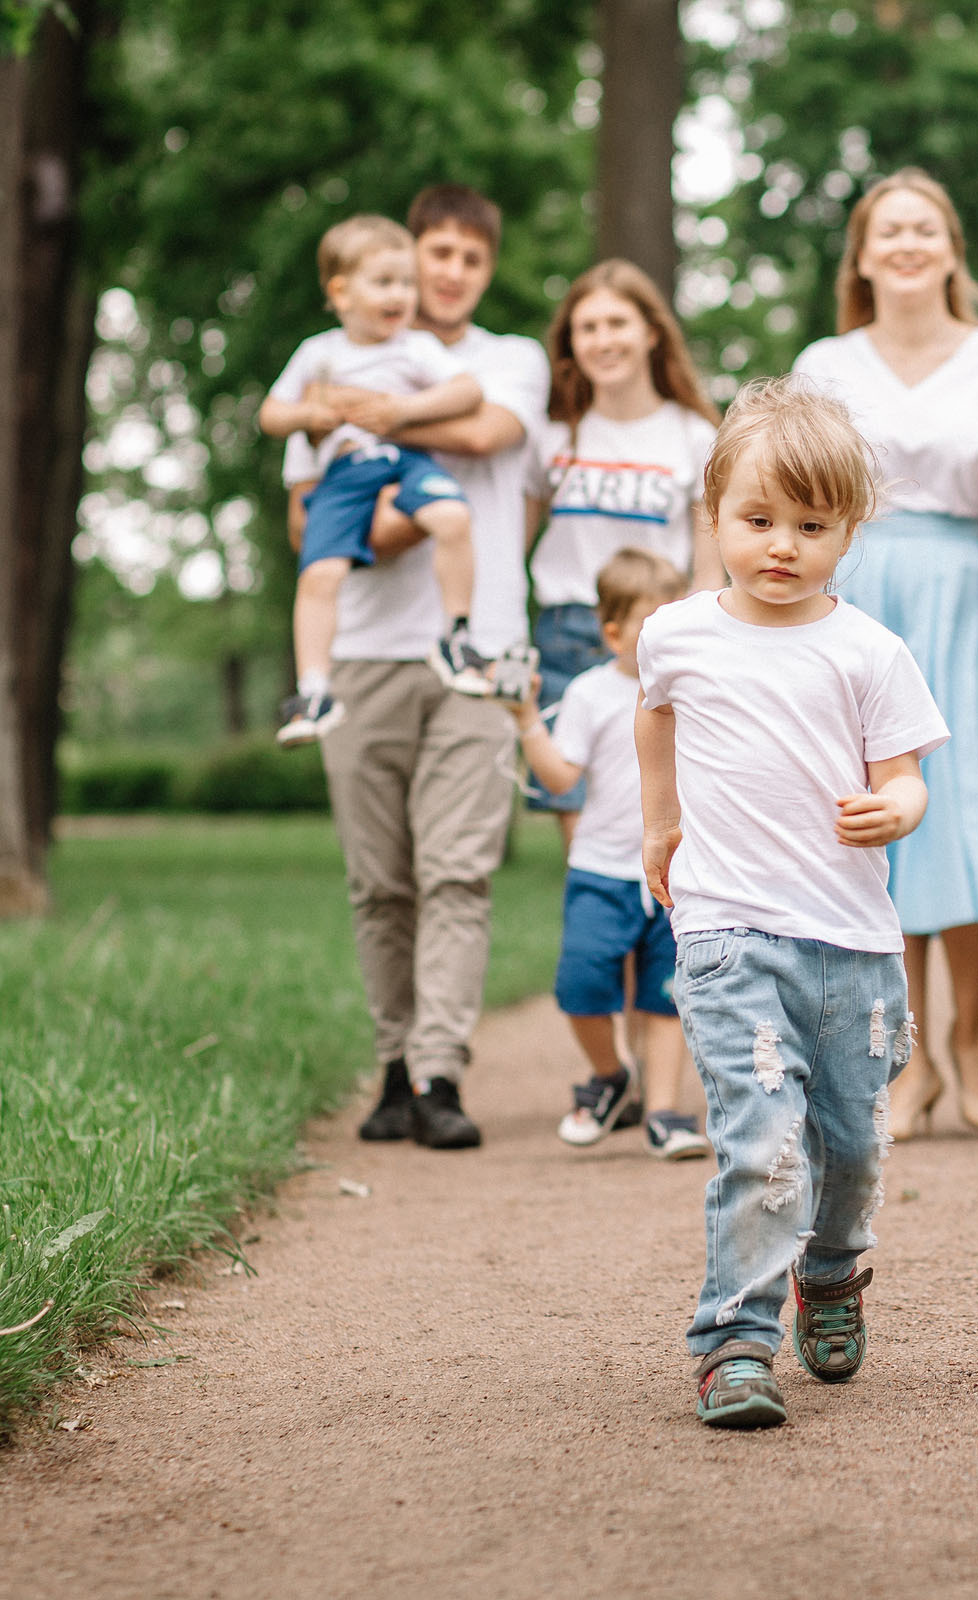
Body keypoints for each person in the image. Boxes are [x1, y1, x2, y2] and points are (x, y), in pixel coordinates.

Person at [636, 378, 948, 1429]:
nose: (782, 545)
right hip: (729, 931)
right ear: (714, 512)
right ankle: (734, 1343)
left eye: (811, 526)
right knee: (764, 1139)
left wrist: (895, 808)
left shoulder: (870, 650)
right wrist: (659, 822)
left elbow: (906, 775)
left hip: (852, 944)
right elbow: (655, 718)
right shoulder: (678, 634)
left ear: (848, 530)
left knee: (852, 1150)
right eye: (758, 520)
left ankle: (833, 1269)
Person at [793, 169, 978, 1140]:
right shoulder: (824, 360)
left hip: (968, 590)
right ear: (862, 257)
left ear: (951, 250)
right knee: (884, 823)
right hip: (857, 597)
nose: (907, 243)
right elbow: (806, 504)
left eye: (926, 228)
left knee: (970, 817)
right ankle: (903, 1057)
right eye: (888, 230)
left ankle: (973, 1037)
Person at [300, 185, 554, 1151]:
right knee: (381, 883)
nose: (447, 273)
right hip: (361, 652)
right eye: (433, 253)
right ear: (401, 259)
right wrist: (370, 482)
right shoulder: (330, 357)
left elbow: (491, 432)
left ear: (486, 269)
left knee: (458, 872)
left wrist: (367, 419)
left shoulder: (510, 361)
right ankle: (395, 1068)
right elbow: (309, 523)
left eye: (468, 258)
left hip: (475, 653)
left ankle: (442, 1071)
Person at [262, 215, 492, 745]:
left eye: (408, 283)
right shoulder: (319, 353)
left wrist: (403, 409)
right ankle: (315, 690)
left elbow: (467, 391)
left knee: (454, 517)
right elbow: (271, 414)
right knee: (321, 574)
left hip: (405, 458)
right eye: (385, 283)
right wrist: (305, 417)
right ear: (341, 293)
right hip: (345, 474)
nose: (403, 296)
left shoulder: (415, 348)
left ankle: (457, 636)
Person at [509, 548, 708, 1160]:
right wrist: (524, 720)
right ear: (613, 631)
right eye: (653, 622)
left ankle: (666, 1112)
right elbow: (563, 779)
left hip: (674, 874)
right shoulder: (592, 693)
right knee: (581, 984)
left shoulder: (697, 689)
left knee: (666, 995)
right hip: (599, 870)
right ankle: (610, 1076)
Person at [523, 260, 722, 843]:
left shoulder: (693, 434)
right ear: (571, 343)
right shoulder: (552, 434)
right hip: (565, 633)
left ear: (651, 332)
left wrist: (697, 643)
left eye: (618, 323)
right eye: (588, 328)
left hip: (653, 638)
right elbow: (514, 546)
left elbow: (708, 568)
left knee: (659, 818)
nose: (603, 339)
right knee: (585, 832)